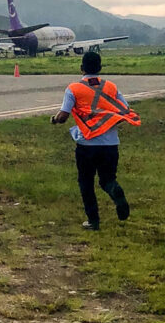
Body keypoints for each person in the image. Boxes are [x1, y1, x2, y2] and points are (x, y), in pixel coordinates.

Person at [51, 51, 139, 231]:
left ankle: (93, 220)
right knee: (107, 179)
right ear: (99, 68)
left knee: (86, 182)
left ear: (81, 68)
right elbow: (124, 110)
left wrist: (54, 119)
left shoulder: (74, 89)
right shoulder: (111, 87)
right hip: (110, 144)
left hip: (87, 144)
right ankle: (115, 190)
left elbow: (63, 116)